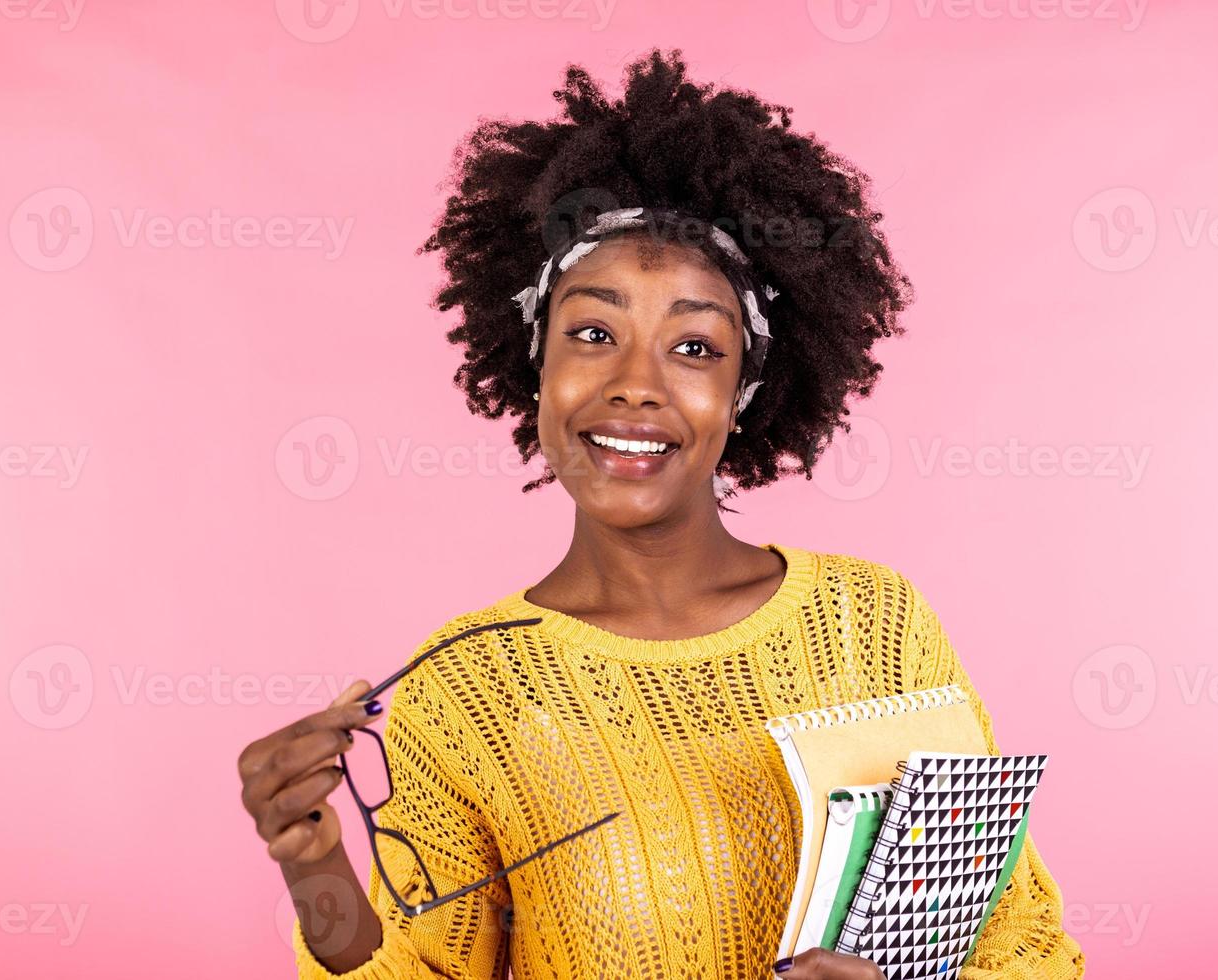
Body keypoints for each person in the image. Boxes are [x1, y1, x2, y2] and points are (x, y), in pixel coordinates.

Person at [237, 49, 1086, 980]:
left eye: (693, 346)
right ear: (537, 366)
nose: (635, 385)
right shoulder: (468, 691)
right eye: (593, 334)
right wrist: (314, 866)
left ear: (744, 392)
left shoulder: (876, 627)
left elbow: (1025, 950)